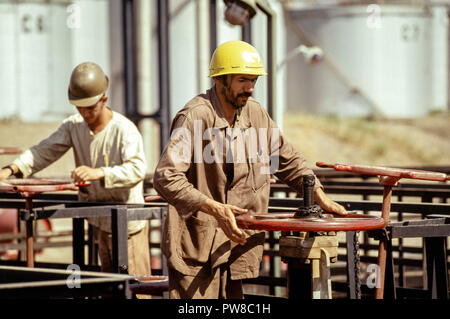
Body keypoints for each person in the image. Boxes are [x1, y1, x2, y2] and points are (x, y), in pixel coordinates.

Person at [153, 40, 347, 299]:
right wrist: (214, 208)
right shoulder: (195, 116)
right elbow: (166, 177)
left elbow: (286, 159)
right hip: (197, 249)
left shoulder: (254, 114)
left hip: (236, 245)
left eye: (254, 80)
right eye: (243, 80)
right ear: (221, 80)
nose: (251, 88)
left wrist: (319, 194)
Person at [0, 62, 151, 281]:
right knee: (108, 285)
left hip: (127, 225)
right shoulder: (74, 126)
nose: (85, 113)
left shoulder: (124, 130)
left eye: (90, 107)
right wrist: (12, 169)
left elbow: (137, 169)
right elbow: (44, 151)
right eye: (80, 108)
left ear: (104, 100)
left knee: (136, 288)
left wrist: (100, 173)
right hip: (101, 219)